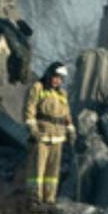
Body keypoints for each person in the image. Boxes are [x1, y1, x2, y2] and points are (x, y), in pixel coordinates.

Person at [22, 61, 75, 205]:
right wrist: (33, 130)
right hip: (41, 135)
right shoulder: (38, 88)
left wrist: (71, 129)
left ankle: (49, 199)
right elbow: (29, 110)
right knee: (37, 170)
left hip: (58, 137)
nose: (57, 80)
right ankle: (34, 198)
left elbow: (66, 114)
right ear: (49, 74)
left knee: (52, 173)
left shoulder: (62, 94)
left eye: (60, 78)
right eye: (56, 76)